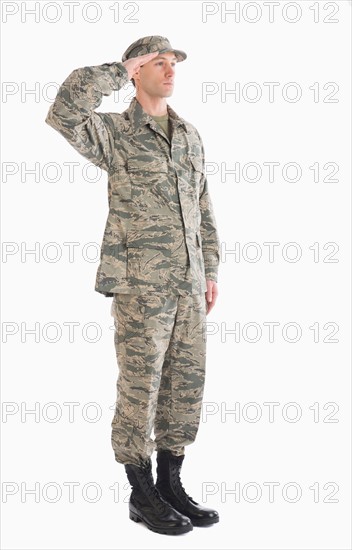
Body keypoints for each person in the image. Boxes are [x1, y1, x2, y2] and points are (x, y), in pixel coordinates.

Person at [45, 35, 220, 536]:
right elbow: (64, 109)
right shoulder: (117, 133)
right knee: (140, 387)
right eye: (157, 64)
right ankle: (139, 492)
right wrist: (118, 70)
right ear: (137, 71)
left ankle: (170, 482)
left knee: (184, 385)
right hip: (141, 284)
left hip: (187, 285)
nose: (169, 71)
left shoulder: (189, 134)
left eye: (172, 64)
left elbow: (203, 206)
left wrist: (210, 270)